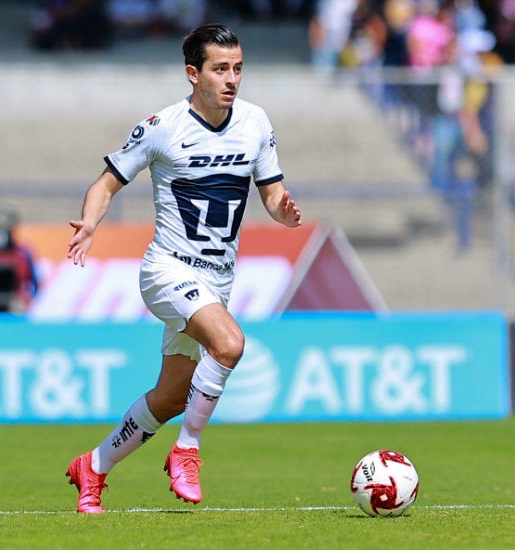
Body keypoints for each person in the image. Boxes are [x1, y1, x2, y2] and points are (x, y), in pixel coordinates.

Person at [65, 23, 303, 514]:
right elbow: (105, 183)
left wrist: (282, 211)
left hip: (217, 279)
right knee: (230, 343)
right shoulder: (162, 127)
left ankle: (94, 466)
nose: (232, 78)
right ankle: (187, 450)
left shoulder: (256, 121)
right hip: (168, 269)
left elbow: (273, 193)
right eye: (220, 69)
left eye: (238, 68)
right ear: (193, 74)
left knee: (171, 397)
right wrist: (90, 223)